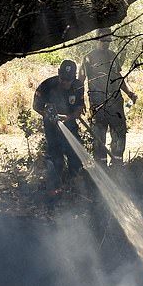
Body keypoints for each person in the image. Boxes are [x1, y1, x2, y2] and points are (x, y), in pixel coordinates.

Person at [78, 28, 137, 166]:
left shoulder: (112, 55)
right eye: (103, 40)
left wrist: (129, 93)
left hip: (116, 103)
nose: (106, 43)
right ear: (96, 39)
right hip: (97, 105)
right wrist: (80, 103)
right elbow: (80, 81)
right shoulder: (88, 58)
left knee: (119, 134)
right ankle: (101, 168)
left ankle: (117, 166)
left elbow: (118, 77)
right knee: (99, 137)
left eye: (108, 41)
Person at [33, 59, 85, 194]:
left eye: (69, 80)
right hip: (52, 127)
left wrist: (69, 117)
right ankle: (55, 190)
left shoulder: (78, 86)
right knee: (56, 158)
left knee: (75, 155)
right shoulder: (46, 85)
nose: (65, 82)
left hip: (70, 125)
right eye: (63, 79)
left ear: (74, 78)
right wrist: (47, 114)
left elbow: (79, 109)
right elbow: (36, 106)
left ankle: (75, 188)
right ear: (58, 74)